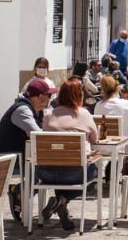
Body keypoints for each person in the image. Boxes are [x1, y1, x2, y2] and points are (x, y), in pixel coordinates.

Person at [38, 79, 99, 231]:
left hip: (46, 173)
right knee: (94, 171)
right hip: (74, 173)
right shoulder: (84, 114)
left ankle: (61, 203)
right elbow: (95, 139)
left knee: (61, 164)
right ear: (79, 95)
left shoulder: (48, 115)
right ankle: (62, 200)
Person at [0, 78, 54, 221]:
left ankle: (20, 192)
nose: (51, 99)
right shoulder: (22, 110)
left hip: (19, 157)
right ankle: (19, 192)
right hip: (6, 160)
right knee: (45, 172)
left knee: (47, 170)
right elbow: (38, 136)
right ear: (39, 97)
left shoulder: (35, 110)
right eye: (49, 95)